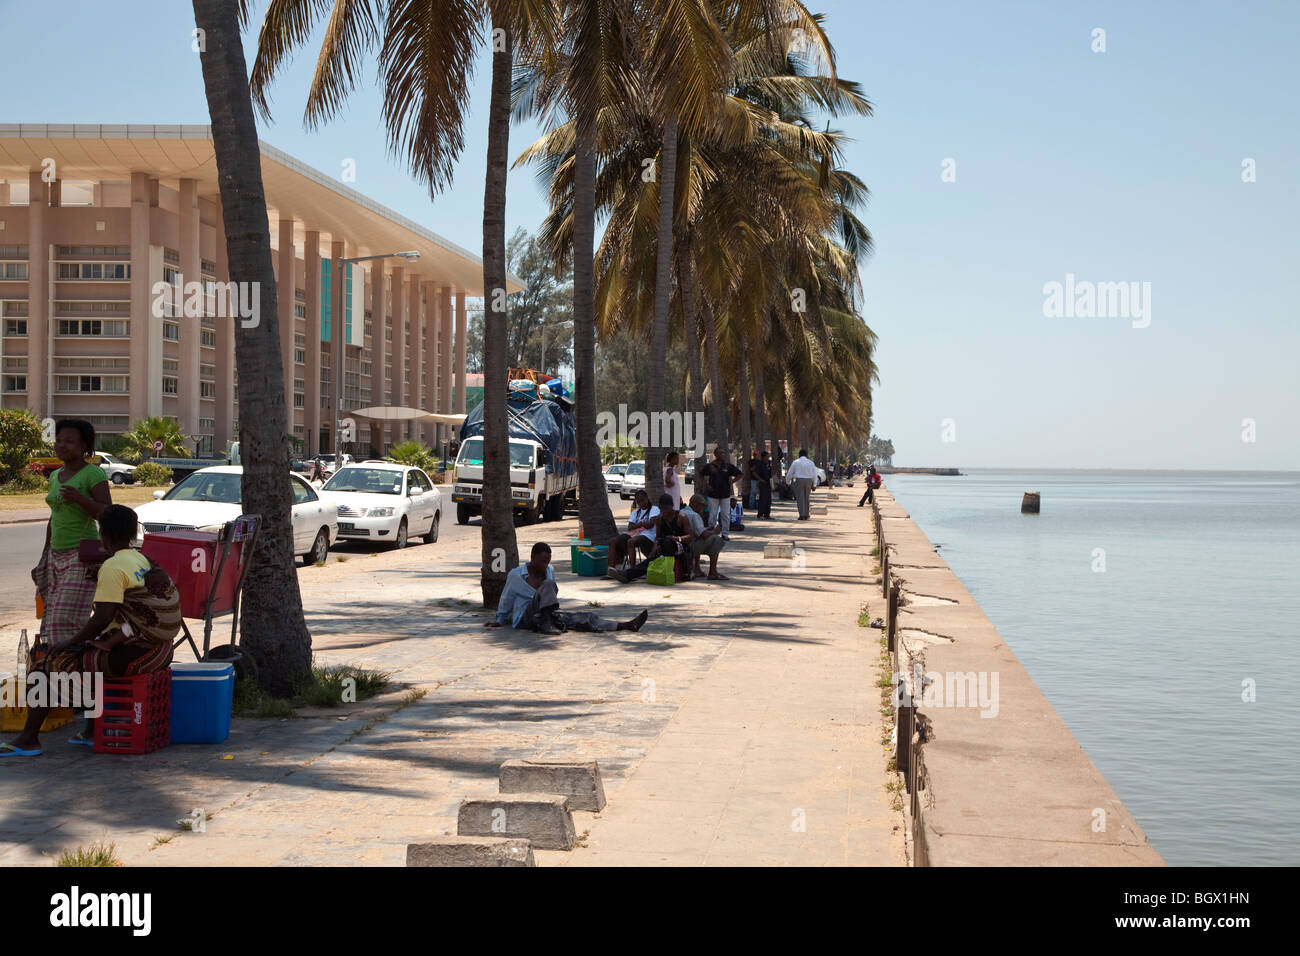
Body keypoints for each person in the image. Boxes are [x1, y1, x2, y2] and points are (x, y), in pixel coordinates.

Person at [4, 505, 179, 756]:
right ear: (132, 533)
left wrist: (66, 642)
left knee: (45, 665)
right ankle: (90, 732)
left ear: (103, 535)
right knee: (89, 656)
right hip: (162, 648)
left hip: (138, 655)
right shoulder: (141, 559)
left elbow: (101, 618)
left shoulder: (113, 567)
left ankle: (28, 739)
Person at [30, 419, 113, 655]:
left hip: (82, 555)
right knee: (50, 616)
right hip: (56, 554)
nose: (61, 445)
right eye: (58, 440)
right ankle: (58, 669)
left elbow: (108, 512)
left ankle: (72, 669)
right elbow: (53, 518)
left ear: (83, 446)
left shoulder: (93, 473)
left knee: (64, 619)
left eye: (69, 441)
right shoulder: (55, 476)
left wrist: (80, 499)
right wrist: (44, 556)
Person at [491, 542, 648, 635]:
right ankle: (546, 623)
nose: (545, 565)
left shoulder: (549, 570)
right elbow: (507, 598)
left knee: (584, 618)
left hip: (548, 614)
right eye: (542, 561)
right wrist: (500, 620)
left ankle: (626, 625)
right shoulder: (516, 575)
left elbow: (551, 595)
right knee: (548, 584)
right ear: (532, 558)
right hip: (525, 618)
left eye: (548, 561)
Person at [698, 445, 743, 539]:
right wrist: (706, 485)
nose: (722, 454)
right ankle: (712, 533)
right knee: (712, 515)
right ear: (715, 454)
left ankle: (725, 534)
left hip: (725, 494)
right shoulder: (710, 466)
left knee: (725, 515)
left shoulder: (727, 466)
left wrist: (732, 481)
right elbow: (701, 474)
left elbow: (740, 474)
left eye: (723, 453)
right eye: (720, 453)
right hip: (713, 494)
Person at [607, 490, 659, 572]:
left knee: (631, 542)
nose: (641, 503)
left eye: (643, 500)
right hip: (634, 534)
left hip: (649, 536)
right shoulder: (636, 512)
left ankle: (632, 570)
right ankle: (611, 569)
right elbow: (629, 527)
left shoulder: (654, 509)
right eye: (638, 501)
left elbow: (651, 525)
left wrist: (637, 525)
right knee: (612, 541)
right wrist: (641, 524)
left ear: (647, 498)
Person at [683, 494, 727, 580]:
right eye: (702, 507)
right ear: (695, 505)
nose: (703, 510)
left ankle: (697, 569)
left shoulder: (683, 511)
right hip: (689, 547)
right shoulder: (695, 515)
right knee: (716, 540)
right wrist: (715, 531)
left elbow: (697, 531)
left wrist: (707, 529)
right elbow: (703, 535)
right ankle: (713, 572)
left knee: (700, 538)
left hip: (683, 544)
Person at [786, 448, 818, 520]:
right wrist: (814, 485)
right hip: (808, 481)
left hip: (799, 480)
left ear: (799, 455)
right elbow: (814, 474)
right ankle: (806, 514)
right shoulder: (811, 463)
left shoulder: (795, 462)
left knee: (800, 498)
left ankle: (802, 515)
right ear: (806, 455)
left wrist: (788, 482)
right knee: (806, 498)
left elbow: (790, 473)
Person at [754, 451, 773, 519]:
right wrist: (761, 480)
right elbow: (755, 473)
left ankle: (767, 514)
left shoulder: (768, 464)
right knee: (762, 500)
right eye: (767, 457)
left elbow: (770, 474)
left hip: (768, 484)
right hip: (762, 484)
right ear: (763, 457)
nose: (768, 458)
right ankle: (760, 514)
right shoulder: (759, 464)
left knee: (768, 500)